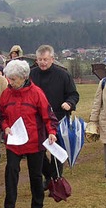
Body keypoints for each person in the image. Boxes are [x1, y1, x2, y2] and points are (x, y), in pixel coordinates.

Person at [0, 60, 57, 208]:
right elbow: (2, 115)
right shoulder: (6, 94)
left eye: (14, 79)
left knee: (35, 174)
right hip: (13, 142)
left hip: (34, 141)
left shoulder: (37, 93)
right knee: (11, 171)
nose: (10, 82)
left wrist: (52, 132)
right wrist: (5, 127)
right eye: (9, 78)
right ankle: (9, 207)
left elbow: (48, 116)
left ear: (24, 77)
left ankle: (37, 205)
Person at [29, 45, 79, 187]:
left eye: (45, 59)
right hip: (37, 119)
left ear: (52, 59)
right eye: (40, 60)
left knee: (56, 149)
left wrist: (69, 103)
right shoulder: (31, 75)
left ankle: (56, 177)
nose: (43, 62)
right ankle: (49, 175)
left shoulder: (63, 75)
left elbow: (74, 94)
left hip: (58, 117)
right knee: (39, 150)